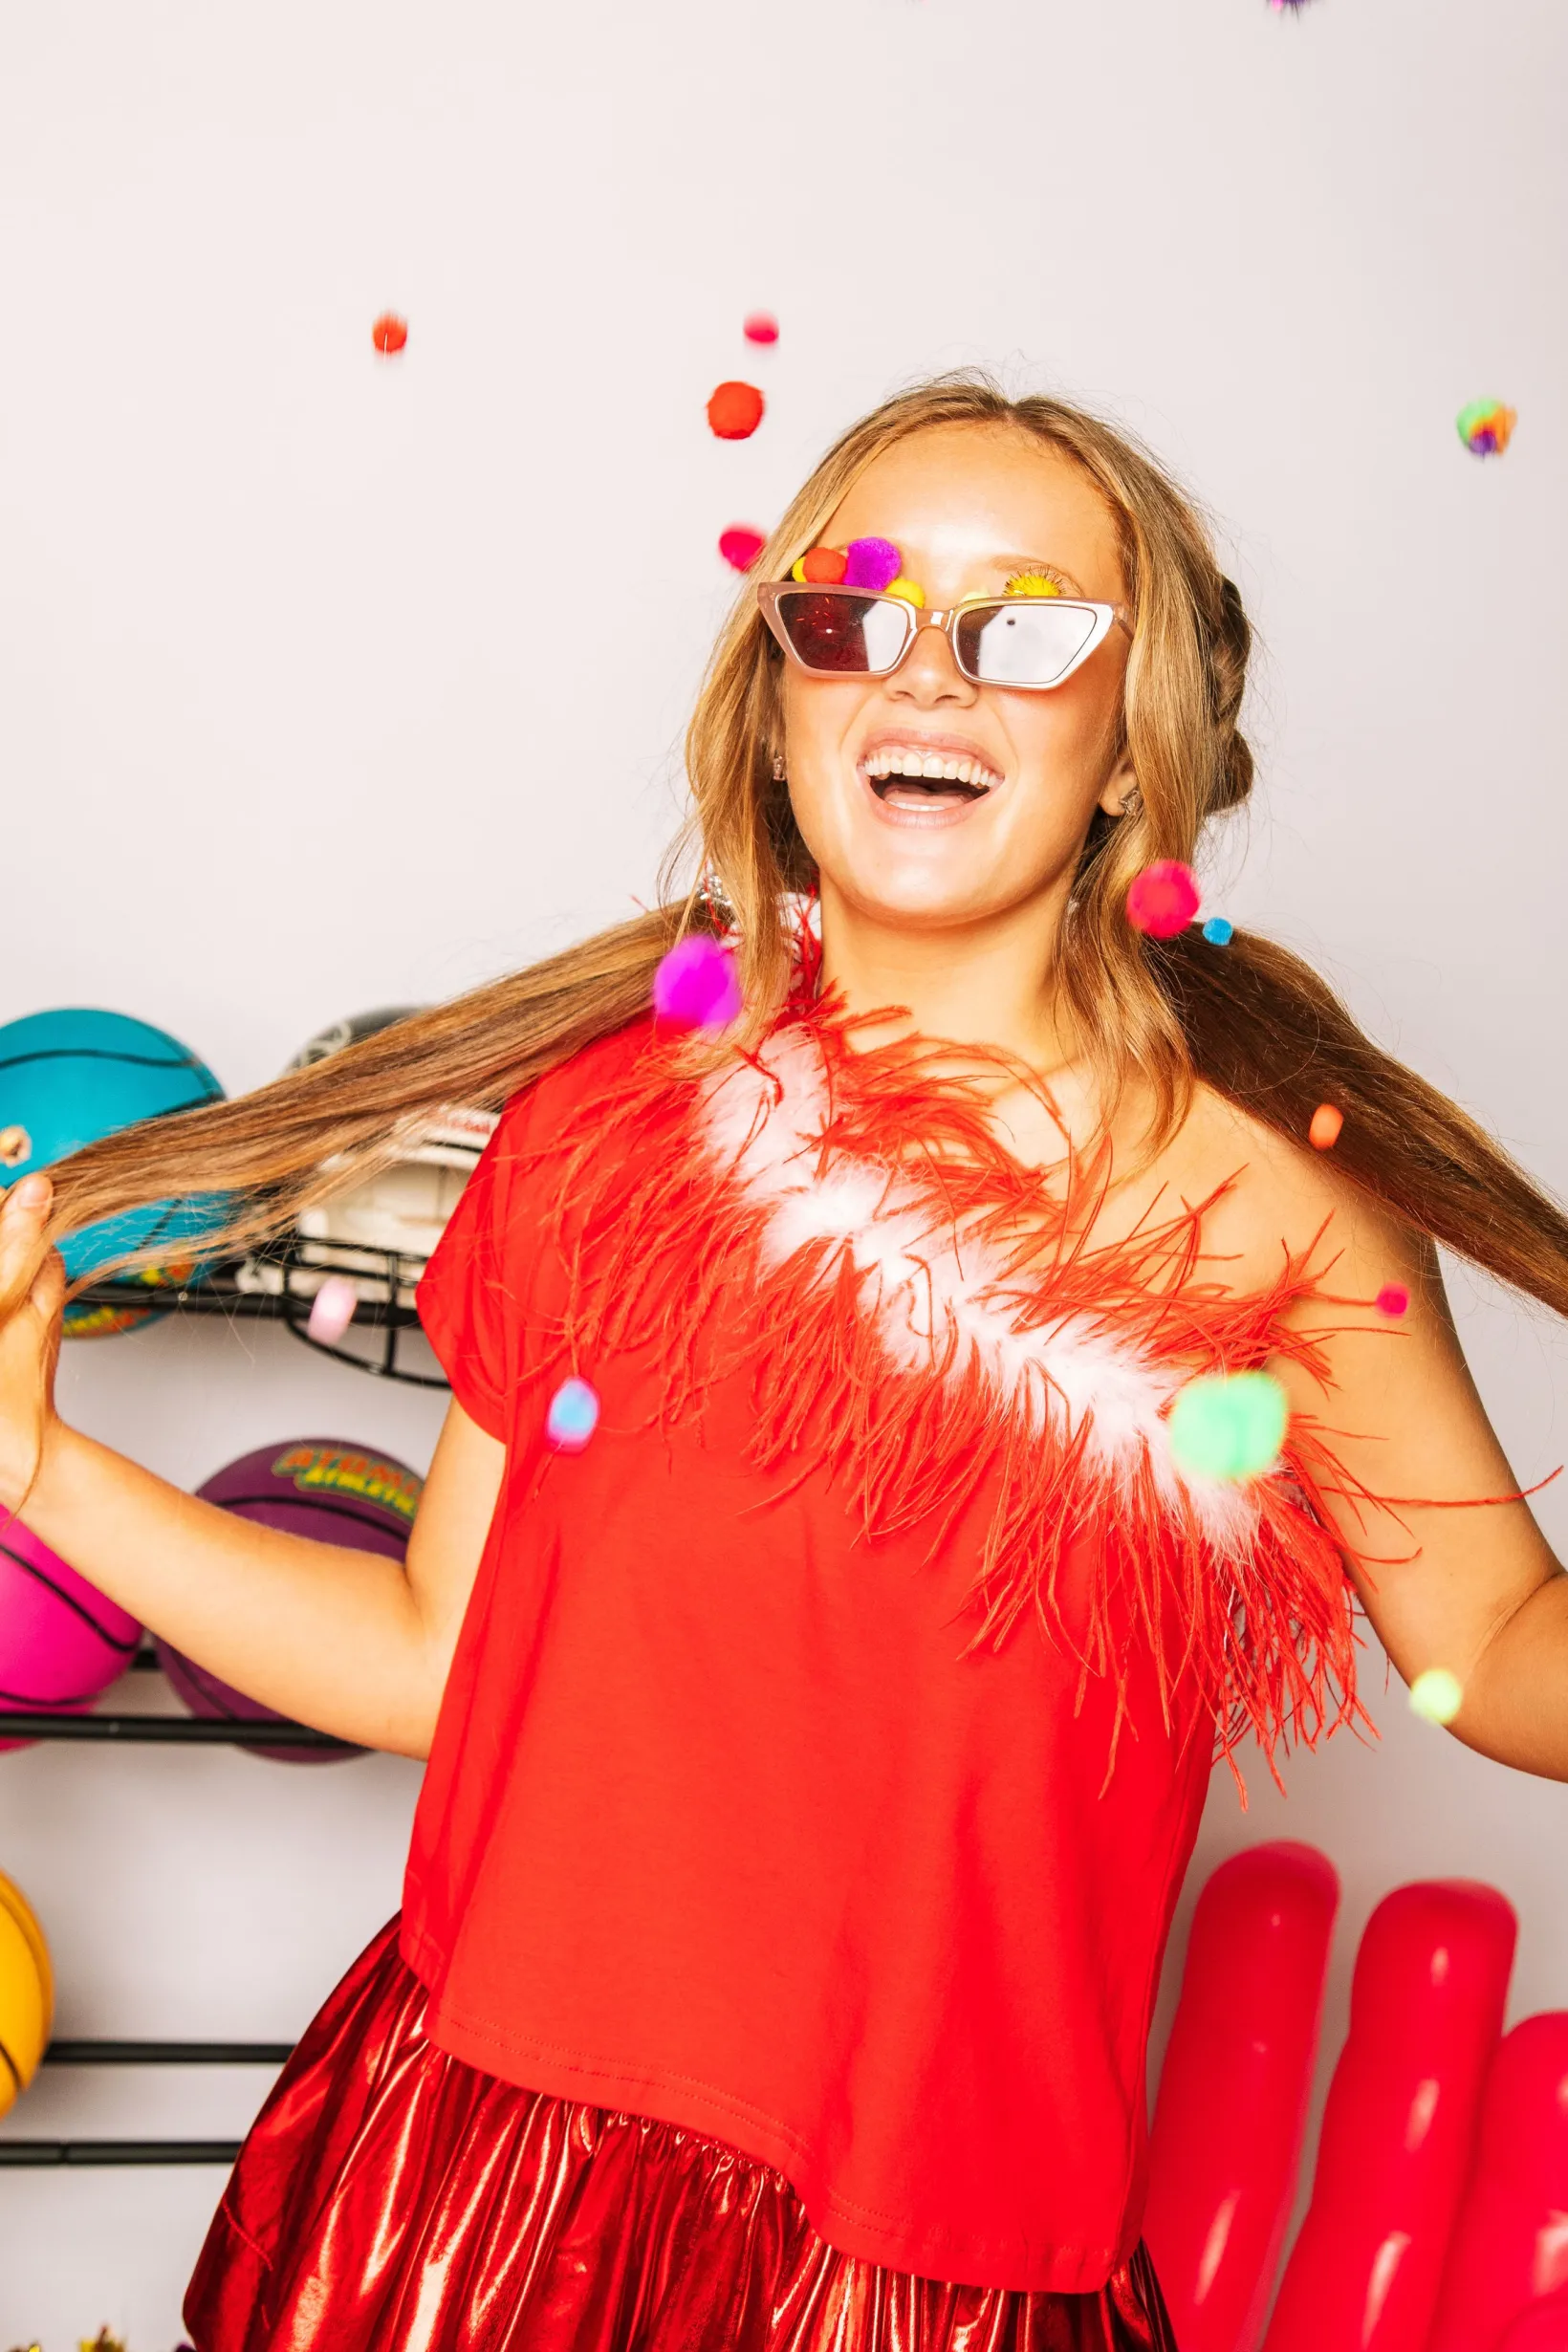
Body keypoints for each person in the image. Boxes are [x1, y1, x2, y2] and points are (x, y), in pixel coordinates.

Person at [2, 375, 1565, 2351]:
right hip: (479, 2214)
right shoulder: (607, 1129)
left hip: (924, 2281)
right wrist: (40, 1468)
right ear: (780, 705)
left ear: (1127, 748)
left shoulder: (1273, 1215)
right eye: (856, 616)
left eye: (1023, 628)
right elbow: (428, 1656)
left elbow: (1495, 1648)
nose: (929, 676)